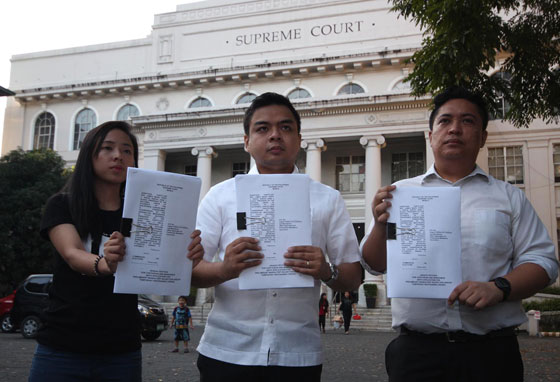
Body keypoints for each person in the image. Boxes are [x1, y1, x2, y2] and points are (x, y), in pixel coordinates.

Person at [360, 86, 559, 382]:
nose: (454, 128)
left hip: (491, 354)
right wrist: (379, 225)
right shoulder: (400, 194)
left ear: (482, 137)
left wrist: (498, 287)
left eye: (467, 121)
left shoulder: (508, 197)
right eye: (444, 121)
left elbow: (544, 261)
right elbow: (374, 265)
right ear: (431, 135)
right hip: (417, 353)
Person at [192, 92, 362, 381]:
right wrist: (225, 268)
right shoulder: (219, 196)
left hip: (297, 353)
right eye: (262, 128)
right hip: (227, 350)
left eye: (285, 128)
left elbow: (353, 275)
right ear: (246, 141)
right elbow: (190, 271)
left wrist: (325, 270)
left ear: (298, 138)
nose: (275, 136)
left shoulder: (327, 199)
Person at [28, 121, 204, 382]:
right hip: (62, 345)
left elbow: (158, 263)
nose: (118, 156)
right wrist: (104, 263)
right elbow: (72, 253)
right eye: (108, 148)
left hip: (121, 351)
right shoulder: (63, 204)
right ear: (89, 154)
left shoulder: (142, 210)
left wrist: (186, 255)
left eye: (127, 151)